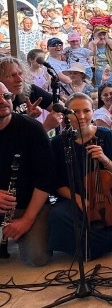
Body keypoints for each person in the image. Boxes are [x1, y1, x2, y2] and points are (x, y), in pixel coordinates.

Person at [48, 92, 112, 260]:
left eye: (86, 111)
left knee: (109, 237)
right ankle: (86, 245)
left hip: (105, 197)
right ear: (66, 115)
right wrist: (78, 199)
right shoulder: (58, 143)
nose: (81, 116)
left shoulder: (107, 136)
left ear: (93, 112)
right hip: (73, 197)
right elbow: (55, 182)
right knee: (57, 215)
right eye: (75, 112)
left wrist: (104, 159)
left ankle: (84, 243)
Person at [0, 83, 54, 266]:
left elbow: (46, 179)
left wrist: (26, 220)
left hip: (28, 204)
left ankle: (21, 229)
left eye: (6, 96)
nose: (3, 101)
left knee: (37, 258)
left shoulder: (32, 129)